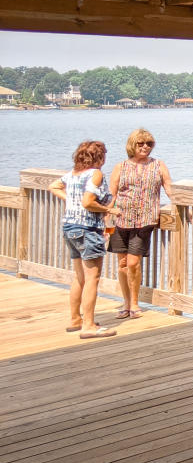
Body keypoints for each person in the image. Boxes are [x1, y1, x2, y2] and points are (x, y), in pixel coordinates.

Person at [49, 140, 120, 339]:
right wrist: (108, 209)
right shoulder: (95, 174)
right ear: (100, 157)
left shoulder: (73, 174)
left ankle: (75, 319)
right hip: (87, 229)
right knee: (92, 279)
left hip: (69, 227)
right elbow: (88, 202)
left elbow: (53, 186)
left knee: (79, 277)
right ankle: (88, 325)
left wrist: (71, 201)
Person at [108, 128, 177, 319]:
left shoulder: (158, 165)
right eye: (141, 143)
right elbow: (112, 195)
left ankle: (136, 302)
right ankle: (126, 303)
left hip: (145, 220)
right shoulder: (120, 166)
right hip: (120, 219)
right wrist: (105, 218)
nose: (145, 147)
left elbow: (169, 187)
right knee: (122, 263)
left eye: (149, 144)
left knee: (133, 263)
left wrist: (181, 206)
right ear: (132, 145)